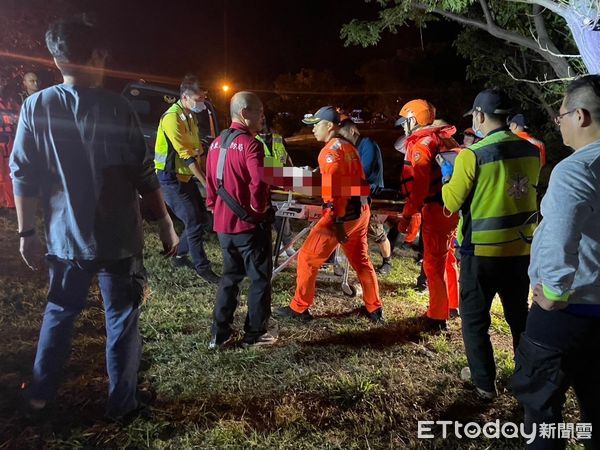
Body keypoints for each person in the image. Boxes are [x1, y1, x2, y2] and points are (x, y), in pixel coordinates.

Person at [9, 16, 179, 421]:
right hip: (118, 239)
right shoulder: (117, 107)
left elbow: (22, 172)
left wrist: (27, 231)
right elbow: (143, 174)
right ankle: (122, 405)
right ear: (98, 55)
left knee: (59, 313)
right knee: (121, 320)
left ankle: (39, 396)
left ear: (54, 57)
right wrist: (166, 224)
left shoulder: (36, 106)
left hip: (65, 240)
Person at [511, 75, 600, 449]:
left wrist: (552, 290)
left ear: (580, 116)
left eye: (561, 113)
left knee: (541, 407)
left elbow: (562, 235)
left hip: (567, 311)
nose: (558, 121)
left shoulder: (575, 170)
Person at [441, 89, 540, 400]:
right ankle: (527, 378)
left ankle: (484, 383)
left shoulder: (472, 155)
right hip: (521, 250)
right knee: (518, 316)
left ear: (480, 116)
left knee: (474, 319)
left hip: (480, 253)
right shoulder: (531, 151)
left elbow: (452, 200)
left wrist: (447, 175)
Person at [276, 106, 384, 322]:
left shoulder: (329, 151)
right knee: (361, 261)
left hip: (342, 215)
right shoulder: (350, 147)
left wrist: (337, 223)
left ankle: (299, 308)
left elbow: (334, 192)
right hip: (361, 211)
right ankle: (374, 308)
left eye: (316, 124)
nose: (313, 129)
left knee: (307, 258)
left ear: (330, 126)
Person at [205, 91, 277, 348]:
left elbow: (211, 182)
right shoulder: (251, 144)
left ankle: (219, 333)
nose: (263, 118)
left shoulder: (216, 143)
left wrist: (213, 205)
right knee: (259, 279)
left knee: (230, 277)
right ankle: (255, 333)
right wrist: (259, 210)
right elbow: (259, 181)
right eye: (259, 112)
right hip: (248, 226)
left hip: (224, 225)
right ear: (245, 113)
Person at [395, 99, 460, 331]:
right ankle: (453, 303)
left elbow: (420, 187)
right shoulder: (445, 138)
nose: (403, 127)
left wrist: (406, 215)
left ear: (414, 119)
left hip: (435, 209)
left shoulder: (422, 144)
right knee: (449, 258)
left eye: (405, 122)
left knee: (433, 264)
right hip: (452, 208)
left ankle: (437, 316)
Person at [154, 74, 220, 284]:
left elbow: (197, 151)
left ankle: (179, 255)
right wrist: (207, 184)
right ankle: (202, 267)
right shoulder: (172, 117)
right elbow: (186, 154)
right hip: (169, 177)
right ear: (185, 97)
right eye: (200, 99)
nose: (203, 103)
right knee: (192, 220)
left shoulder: (189, 116)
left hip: (184, 175)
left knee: (198, 218)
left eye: (204, 98)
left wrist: (207, 175)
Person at [338, 118, 393, 275]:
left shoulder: (367, 145)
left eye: (343, 134)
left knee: (376, 230)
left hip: (371, 193)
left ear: (352, 131)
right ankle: (336, 259)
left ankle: (387, 261)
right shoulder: (350, 148)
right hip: (355, 193)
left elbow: (365, 171)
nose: (341, 139)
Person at [255, 121, 294, 258]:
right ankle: (268, 246)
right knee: (264, 217)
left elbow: (287, 159)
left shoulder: (278, 139)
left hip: (279, 185)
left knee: (283, 214)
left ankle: (286, 245)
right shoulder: (253, 139)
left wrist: (292, 174)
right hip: (263, 184)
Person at [0, 76, 19, 210]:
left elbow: (19, 117)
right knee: (3, 175)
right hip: (2, 143)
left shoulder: (12, 103)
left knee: (8, 173)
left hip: (9, 141)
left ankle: (10, 202)